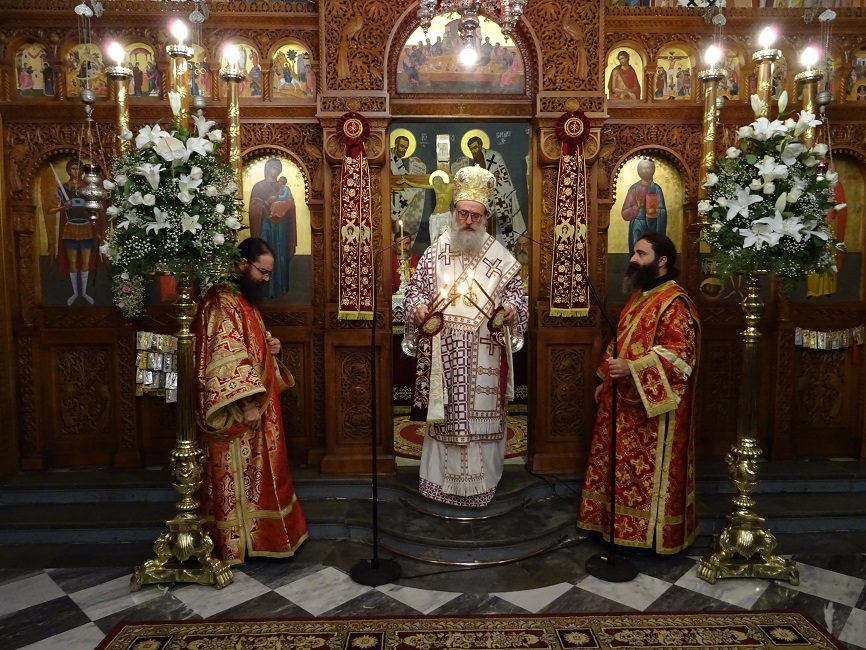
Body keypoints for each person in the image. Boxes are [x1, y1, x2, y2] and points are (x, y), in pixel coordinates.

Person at [402, 165, 529, 507]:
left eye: (476, 215)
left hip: (486, 349)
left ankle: (482, 486)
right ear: (454, 213)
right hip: (445, 351)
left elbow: (518, 299)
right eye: (463, 213)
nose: (469, 221)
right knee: (446, 419)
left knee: (481, 422)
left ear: (485, 217)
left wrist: (512, 310)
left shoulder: (500, 257)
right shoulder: (435, 253)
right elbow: (415, 293)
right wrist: (418, 309)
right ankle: (440, 485)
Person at [578, 233, 700, 554]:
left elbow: (679, 354)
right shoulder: (639, 297)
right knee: (617, 469)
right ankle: (613, 527)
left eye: (641, 253)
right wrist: (606, 379)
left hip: (652, 413)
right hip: (621, 400)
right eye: (634, 252)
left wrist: (631, 368)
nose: (633, 259)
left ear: (662, 261)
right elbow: (620, 340)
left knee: (644, 476)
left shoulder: (675, 302)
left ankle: (649, 537)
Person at [194, 237, 308, 565]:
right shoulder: (221, 302)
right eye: (262, 271)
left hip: (259, 406)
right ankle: (238, 542)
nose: (266, 279)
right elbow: (225, 356)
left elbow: (251, 344)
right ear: (242, 264)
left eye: (270, 273)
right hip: (240, 410)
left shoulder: (242, 299)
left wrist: (271, 345)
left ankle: (264, 536)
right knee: (238, 476)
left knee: (263, 475)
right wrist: (246, 405)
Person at [48, 159, 98, 305]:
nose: (76, 171)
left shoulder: (88, 188)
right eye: (73, 168)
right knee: (72, 263)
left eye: (78, 168)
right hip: (70, 228)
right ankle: (75, 293)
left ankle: (85, 292)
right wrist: (64, 206)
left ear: (82, 171)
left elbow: (96, 208)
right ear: (68, 170)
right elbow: (50, 210)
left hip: (86, 228)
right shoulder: (62, 189)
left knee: (85, 262)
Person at [466, 135, 526, 251]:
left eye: (475, 147)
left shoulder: (494, 156)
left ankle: (506, 253)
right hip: (487, 203)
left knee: (505, 231)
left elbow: (502, 177)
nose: (474, 151)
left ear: (480, 146)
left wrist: (491, 181)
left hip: (501, 197)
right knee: (488, 232)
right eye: (471, 149)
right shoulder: (474, 165)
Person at [249, 158, 296, 301]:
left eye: (277, 169)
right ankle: (264, 290)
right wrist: (265, 203)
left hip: (281, 228)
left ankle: (280, 290)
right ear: (267, 169)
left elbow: (291, 205)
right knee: (264, 252)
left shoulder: (284, 188)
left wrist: (285, 205)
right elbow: (253, 207)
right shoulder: (259, 187)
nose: (275, 171)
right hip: (265, 224)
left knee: (280, 254)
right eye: (273, 168)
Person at [622, 159, 667, 254]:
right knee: (637, 248)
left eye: (648, 168)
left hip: (653, 225)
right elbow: (625, 212)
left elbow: (662, 210)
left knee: (651, 250)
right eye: (643, 168)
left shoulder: (656, 188)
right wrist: (637, 207)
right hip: (637, 224)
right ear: (639, 170)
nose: (646, 170)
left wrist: (655, 210)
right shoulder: (634, 188)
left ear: (652, 170)